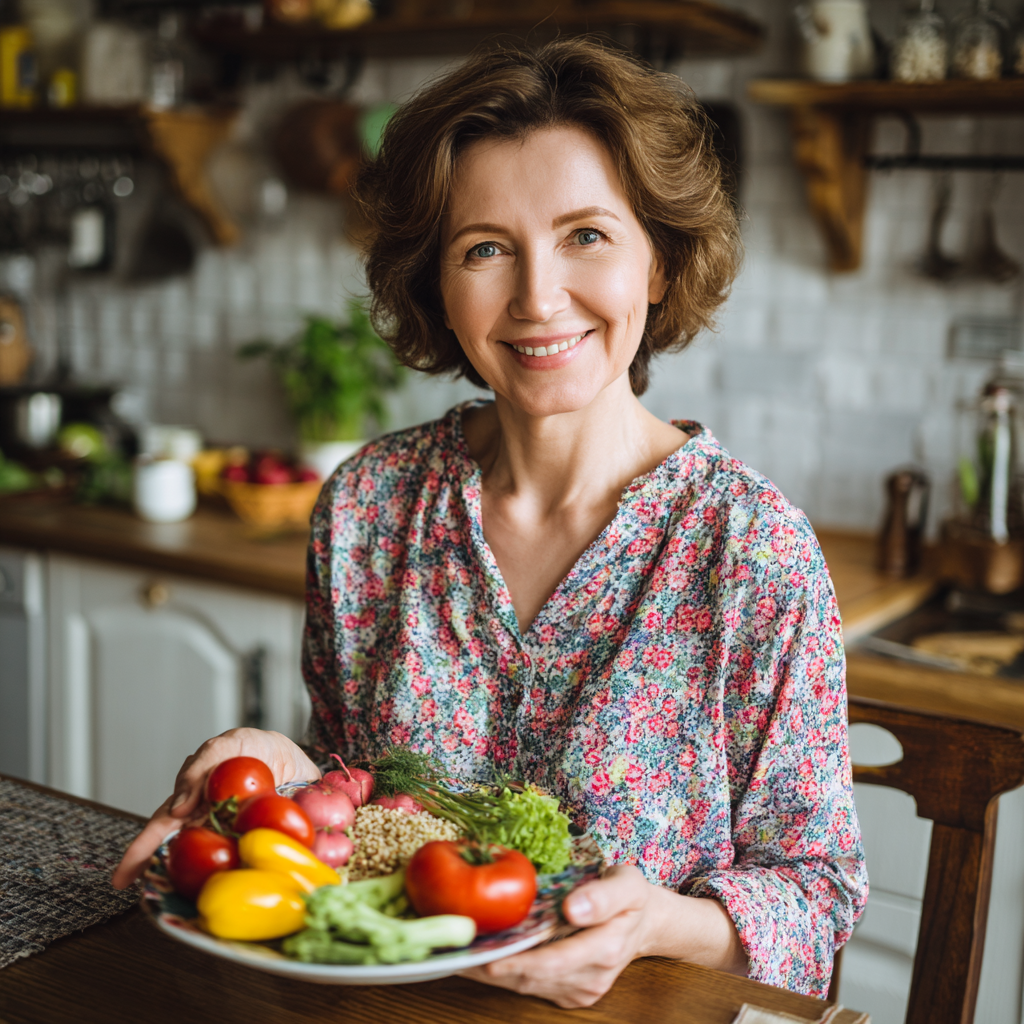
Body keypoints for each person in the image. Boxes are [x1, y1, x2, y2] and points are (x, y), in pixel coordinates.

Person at [114, 38, 867, 1007]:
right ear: (436, 284)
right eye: (484, 248)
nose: (537, 298)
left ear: (659, 259)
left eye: (586, 234)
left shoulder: (750, 548)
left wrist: (658, 921)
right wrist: (284, 774)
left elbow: (816, 891)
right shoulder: (370, 506)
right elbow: (362, 800)